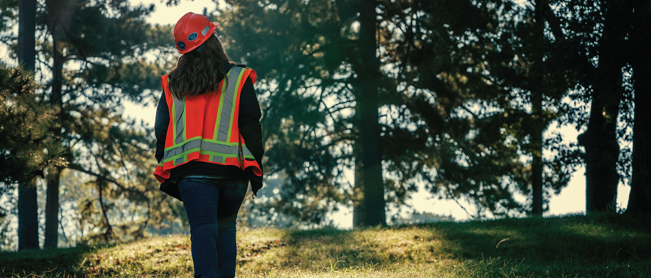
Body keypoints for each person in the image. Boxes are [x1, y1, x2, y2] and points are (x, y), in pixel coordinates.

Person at [153, 12, 264, 278]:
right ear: (213, 39)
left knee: (203, 229)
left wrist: (166, 164)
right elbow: (251, 124)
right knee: (226, 229)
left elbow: (162, 130)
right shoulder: (238, 78)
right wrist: (255, 165)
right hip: (233, 173)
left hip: (191, 174)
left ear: (183, 51)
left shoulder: (172, 85)